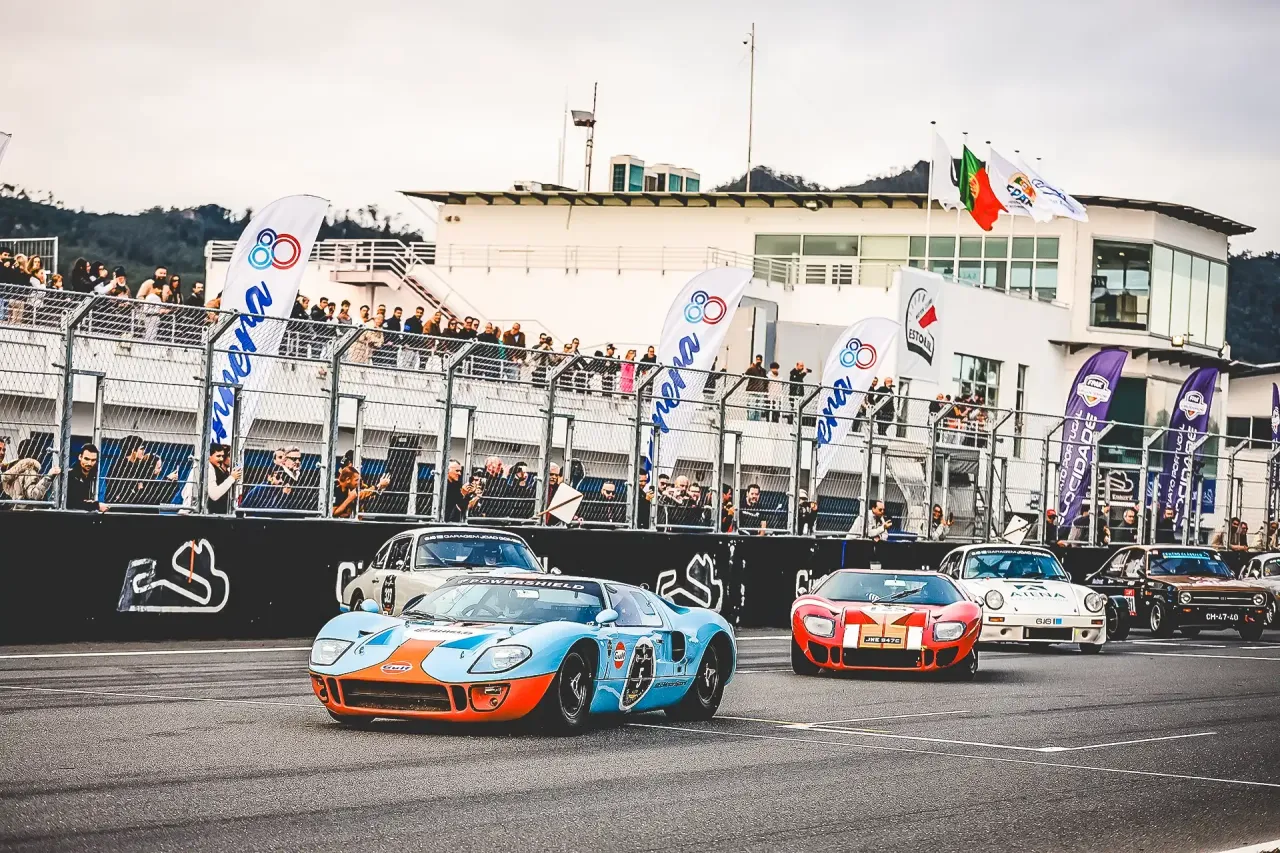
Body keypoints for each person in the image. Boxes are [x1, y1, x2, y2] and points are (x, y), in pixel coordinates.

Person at [105, 435, 177, 507]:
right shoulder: (120, 468)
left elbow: (147, 489)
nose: (144, 451)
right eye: (141, 449)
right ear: (133, 451)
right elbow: (138, 494)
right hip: (122, 506)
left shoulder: (136, 466)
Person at [66, 443, 106, 512]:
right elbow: (72, 503)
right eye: (86, 459)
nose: (89, 463)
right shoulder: (70, 476)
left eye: (93, 460)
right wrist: (96, 505)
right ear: (80, 457)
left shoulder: (95, 477)